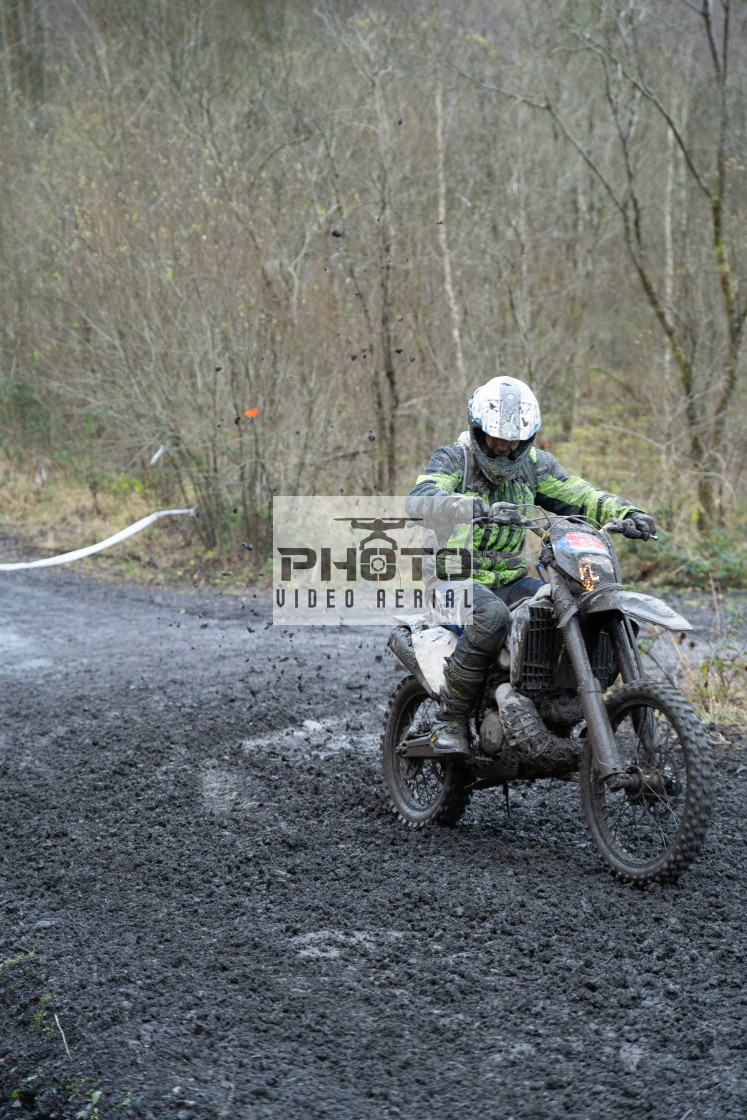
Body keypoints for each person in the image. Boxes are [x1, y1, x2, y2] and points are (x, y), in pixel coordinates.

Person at [405, 376, 655, 756]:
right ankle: (450, 722)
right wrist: (468, 506)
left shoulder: (534, 466)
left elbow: (580, 494)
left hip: (507, 579)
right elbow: (421, 497)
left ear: (528, 438)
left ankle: (559, 706)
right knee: (489, 617)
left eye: (514, 441)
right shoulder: (453, 458)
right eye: (495, 438)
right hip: (450, 579)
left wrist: (626, 511)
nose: (505, 447)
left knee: (565, 609)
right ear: (477, 430)